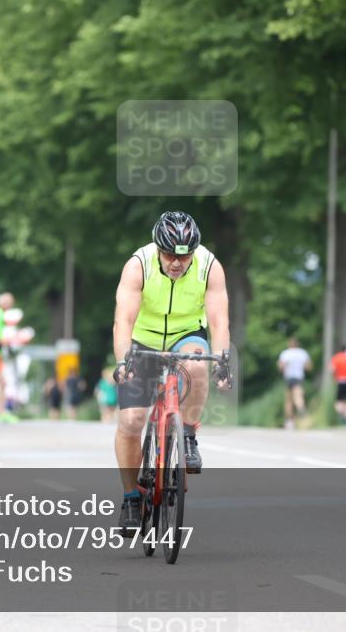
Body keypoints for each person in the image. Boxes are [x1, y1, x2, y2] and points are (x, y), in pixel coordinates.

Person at [112, 211, 232, 536]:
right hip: (143, 338)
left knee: (196, 363)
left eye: (185, 255)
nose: (177, 262)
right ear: (157, 248)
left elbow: (219, 321)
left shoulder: (210, 266)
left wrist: (222, 359)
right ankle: (131, 499)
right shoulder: (139, 265)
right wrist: (125, 361)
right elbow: (123, 321)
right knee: (131, 421)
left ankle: (188, 435)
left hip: (186, 335)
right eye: (170, 254)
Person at [277, 337, 312, 430]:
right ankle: (301, 411)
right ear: (297, 344)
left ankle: (289, 422)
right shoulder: (302, 353)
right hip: (299, 377)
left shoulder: (285, 353)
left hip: (289, 378)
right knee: (298, 396)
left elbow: (280, 366)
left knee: (289, 401)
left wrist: (285, 368)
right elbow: (309, 367)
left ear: (289, 345)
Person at [330, 345, 346, 424]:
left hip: (340, 381)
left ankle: (341, 411)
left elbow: (332, 369)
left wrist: (334, 377)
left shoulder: (336, 357)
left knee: (339, 401)